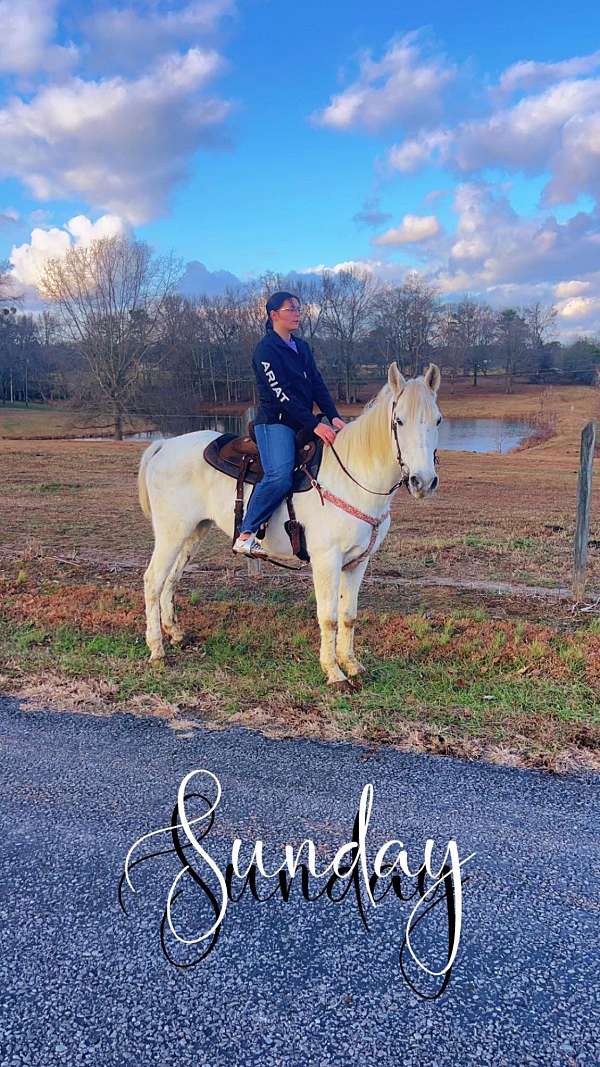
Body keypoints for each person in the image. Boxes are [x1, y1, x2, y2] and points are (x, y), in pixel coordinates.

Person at [232, 290, 345, 555]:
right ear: (274, 315)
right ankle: (246, 533)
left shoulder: (302, 347)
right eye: (290, 309)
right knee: (279, 476)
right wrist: (316, 425)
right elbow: (280, 394)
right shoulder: (265, 350)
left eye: (298, 308)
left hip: (301, 421)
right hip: (276, 422)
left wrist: (334, 416)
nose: (297, 314)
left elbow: (317, 384)